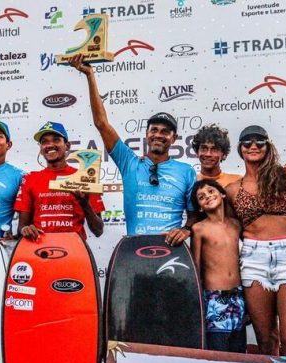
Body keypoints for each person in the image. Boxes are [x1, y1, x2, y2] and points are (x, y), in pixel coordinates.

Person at [71, 54, 196, 245]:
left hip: (172, 249)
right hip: (135, 249)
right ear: (146, 134)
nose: (159, 135)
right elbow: (102, 124)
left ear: (174, 138)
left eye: (165, 131)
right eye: (154, 130)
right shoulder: (129, 163)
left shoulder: (186, 172)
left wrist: (186, 230)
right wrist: (90, 75)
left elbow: (195, 216)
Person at [225, 125, 286, 357]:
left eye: (259, 142)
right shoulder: (231, 190)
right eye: (247, 142)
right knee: (266, 342)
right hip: (254, 259)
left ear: (268, 147)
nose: (253, 146)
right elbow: (230, 231)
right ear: (240, 149)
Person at [15, 121, 104, 240]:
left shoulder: (84, 178)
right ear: (41, 149)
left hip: (74, 250)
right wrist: (26, 229)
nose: (50, 145)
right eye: (44, 142)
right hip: (39, 251)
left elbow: (98, 230)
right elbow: (22, 227)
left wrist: (84, 203)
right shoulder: (30, 178)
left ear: (67, 146)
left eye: (56, 140)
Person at [190, 180, 245, 353]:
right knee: (217, 350)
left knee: (238, 349)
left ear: (222, 194)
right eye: (201, 197)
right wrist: (198, 301)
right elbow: (196, 267)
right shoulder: (199, 229)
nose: (207, 196)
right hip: (213, 298)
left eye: (211, 191)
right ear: (199, 207)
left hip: (238, 296)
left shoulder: (237, 225)